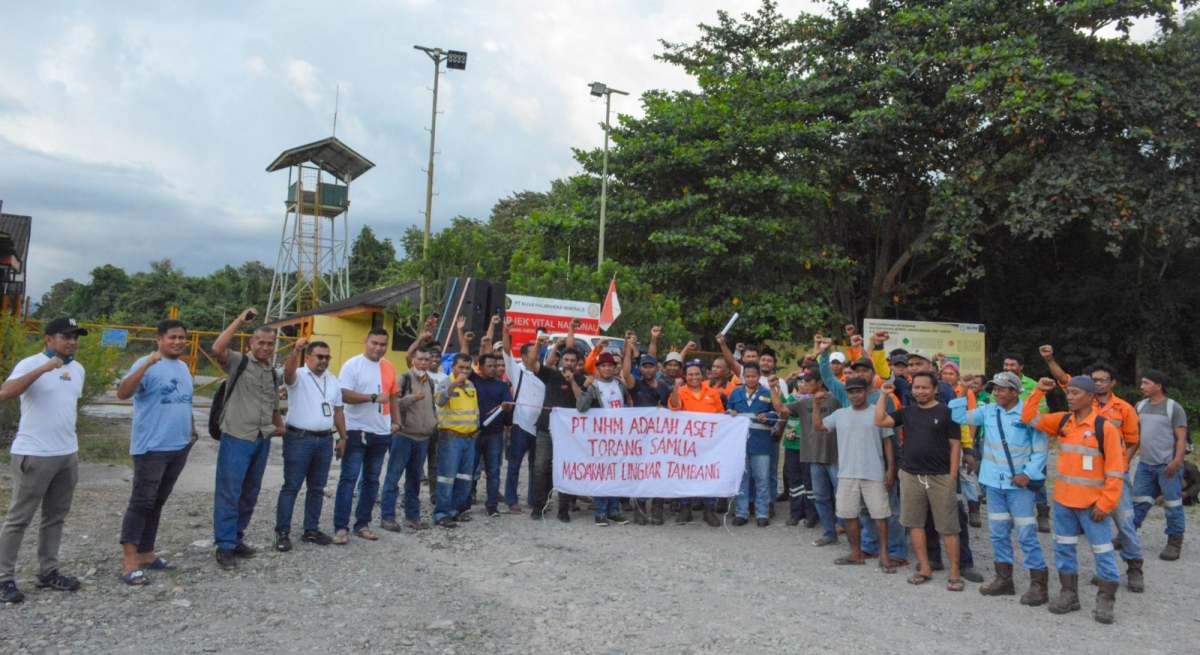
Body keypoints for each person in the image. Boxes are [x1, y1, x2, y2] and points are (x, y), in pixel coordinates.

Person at [1022, 376, 1126, 624]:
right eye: (1068, 392)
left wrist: (1106, 504)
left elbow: (1115, 471)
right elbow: (1028, 417)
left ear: (1090, 397)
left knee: (1102, 551)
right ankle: (1069, 594)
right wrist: (1038, 391)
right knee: (1064, 548)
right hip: (1063, 503)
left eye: (1075, 393)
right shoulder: (1063, 421)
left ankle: (1105, 600)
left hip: (1093, 506)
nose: (1069, 396)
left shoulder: (1105, 428)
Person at [1039, 347, 1145, 590]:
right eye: (1095, 380)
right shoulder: (1083, 404)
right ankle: (1101, 575)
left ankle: (1134, 567)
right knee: (1093, 531)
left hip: (1114, 475)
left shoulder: (1124, 408)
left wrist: (1121, 465)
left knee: (1124, 523)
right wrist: (1049, 359)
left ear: (1112, 382)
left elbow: (1133, 440)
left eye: (1103, 380)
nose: (1098, 383)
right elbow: (1063, 378)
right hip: (1088, 479)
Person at [0, 318, 88, 603]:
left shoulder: (78, 369)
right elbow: (5, 393)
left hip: (66, 454)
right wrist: (43, 369)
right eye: (66, 336)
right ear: (49, 339)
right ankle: (4, 578)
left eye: (76, 337)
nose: (72, 342)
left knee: (55, 517)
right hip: (34, 454)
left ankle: (48, 572)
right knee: (18, 519)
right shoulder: (31, 363)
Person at [949, 372, 1050, 605]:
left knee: (1026, 534)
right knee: (998, 533)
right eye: (995, 388)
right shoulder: (988, 411)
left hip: (1019, 486)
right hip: (994, 484)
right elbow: (958, 416)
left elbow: (1040, 450)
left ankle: (1039, 586)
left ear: (1015, 391)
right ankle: (1004, 579)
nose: (997, 393)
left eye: (1002, 389)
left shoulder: (1029, 414)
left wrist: (1028, 474)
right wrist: (963, 390)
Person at [115, 319, 196, 585]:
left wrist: (191, 431)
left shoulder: (183, 367)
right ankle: (129, 562)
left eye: (182, 337)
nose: (178, 342)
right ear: (159, 339)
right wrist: (147, 364)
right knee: (141, 503)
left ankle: (146, 553)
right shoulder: (145, 363)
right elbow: (122, 393)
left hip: (178, 447)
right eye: (172, 337)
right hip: (152, 448)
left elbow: (185, 402)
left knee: (157, 502)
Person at [816, 338, 906, 563]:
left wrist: (891, 468)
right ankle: (869, 546)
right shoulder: (846, 394)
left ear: (873, 374)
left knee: (888, 510)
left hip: (878, 463)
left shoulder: (883, 397)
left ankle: (895, 551)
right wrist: (824, 354)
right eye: (857, 370)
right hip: (853, 464)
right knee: (863, 510)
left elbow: (891, 434)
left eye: (865, 370)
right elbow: (827, 377)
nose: (861, 374)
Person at [876, 373, 965, 591]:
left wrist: (952, 477)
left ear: (935, 389)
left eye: (925, 387)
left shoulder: (947, 412)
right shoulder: (907, 412)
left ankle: (955, 572)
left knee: (949, 527)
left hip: (941, 477)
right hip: (910, 475)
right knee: (915, 524)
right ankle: (925, 568)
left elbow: (955, 445)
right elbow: (880, 420)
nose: (920, 391)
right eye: (916, 387)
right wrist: (883, 395)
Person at [210, 310, 284, 570]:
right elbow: (217, 348)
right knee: (229, 492)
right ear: (251, 343)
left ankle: (236, 538)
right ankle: (225, 546)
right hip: (237, 437)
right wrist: (240, 321)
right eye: (260, 342)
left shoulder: (272, 372)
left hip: (262, 438)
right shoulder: (238, 362)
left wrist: (279, 426)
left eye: (270, 343)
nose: (265, 347)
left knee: (250, 493)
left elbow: (273, 405)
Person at [812, 377, 897, 573]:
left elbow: (888, 443)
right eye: (851, 392)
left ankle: (884, 555)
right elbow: (819, 427)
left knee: (880, 515)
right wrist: (816, 405)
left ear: (866, 392)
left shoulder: (878, 412)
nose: (855, 395)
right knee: (848, 514)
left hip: (874, 472)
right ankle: (856, 553)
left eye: (859, 391)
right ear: (847, 394)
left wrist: (890, 469)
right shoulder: (840, 414)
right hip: (847, 473)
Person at [274, 338, 345, 552]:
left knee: (317, 488)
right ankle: (282, 532)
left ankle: (311, 530)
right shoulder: (299, 375)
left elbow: (338, 411)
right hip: (299, 439)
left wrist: (343, 437)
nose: (323, 360)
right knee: (291, 486)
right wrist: (295, 351)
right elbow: (287, 375)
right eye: (319, 356)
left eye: (327, 357)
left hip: (324, 440)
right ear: (308, 357)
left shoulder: (333, 380)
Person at [333, 329, 397, 544]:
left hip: (381, 431)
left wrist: (396, 422)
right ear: (365, 341)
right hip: (356, 430)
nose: (378, 347)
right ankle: (341, 527)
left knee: (372, 480)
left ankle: (362, 524)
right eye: (374, 343)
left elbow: (393, 397)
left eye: (382, 344)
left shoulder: (388, 366)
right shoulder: (353, 365)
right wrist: (372, 397)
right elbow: (343, 394)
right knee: (349, 479)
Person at [380, 349, 438, 532]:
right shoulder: (404, 378)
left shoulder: (430, 382)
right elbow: (393, 403)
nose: (424, 362)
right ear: (413, 360)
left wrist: (433, 423)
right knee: (393, 477)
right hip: (404, 436)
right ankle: (387, 517)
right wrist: (410, 399)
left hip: (423, 438)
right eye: (420, 359)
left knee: (414, 480)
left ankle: (412, 517)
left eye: (427, 359)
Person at [1132, 369, 1187, 561]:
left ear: (1158, 385)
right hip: (1145, 466)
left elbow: (1181, 439)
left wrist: (1176, 461)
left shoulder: (1173, 408)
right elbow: (1136, 437)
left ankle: (1174, 543)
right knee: (1138, 501)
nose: (1142, 386)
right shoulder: (1140, 406)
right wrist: (1127, 458)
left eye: (1146, 383)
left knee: (1172, 505)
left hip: (1168, 466)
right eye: (1142, 383)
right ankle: (1128, 535)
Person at [778, 373, 840, 543]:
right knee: (821, 497)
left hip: (834, 456)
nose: (803, 384)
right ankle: (829, 533)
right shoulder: (804, 402)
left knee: (840, 495)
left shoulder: (836, 400)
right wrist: (773, 389)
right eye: (802, 381)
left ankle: (846, 529)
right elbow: (781, 409)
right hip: (813, 456)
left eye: (808, 380)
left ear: (819, 382)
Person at [527, 338, 584, 522]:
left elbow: (582, 403)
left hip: (568, 433)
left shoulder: (582, 379)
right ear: (561, 361)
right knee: (540, 467)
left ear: (577, 363)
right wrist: (538, 343)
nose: (569, 363)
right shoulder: (551, 374)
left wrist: (572, 381)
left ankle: (563, 510)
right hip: (546, 428)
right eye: (566, 360)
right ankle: (538, 506)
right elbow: (531, 363)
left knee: (565, 469)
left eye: (573, 361)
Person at [575, 351, 634, 526]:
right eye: (603, 366)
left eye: (610, 365)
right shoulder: (593, 386)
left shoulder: (620, 385)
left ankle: (614, 511)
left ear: (615, 368)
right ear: (598, 368)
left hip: (619, 438)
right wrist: (584, 388)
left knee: (616, 474)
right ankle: (600, 512)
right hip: (601, 438)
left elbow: (628, 405)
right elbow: (581, 408)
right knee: (602, 474)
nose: (607, 368)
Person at [668, 360, 726, 527]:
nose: (694, 377)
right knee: (686, 475)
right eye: (690, 374)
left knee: (708, 474)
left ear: (703, 375)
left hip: (709, 444)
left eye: (697, 374)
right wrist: (675, 388)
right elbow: (674, 407)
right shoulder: (680, 391)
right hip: (686, 444)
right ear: (685, 376)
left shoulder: (712, 393)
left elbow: (721, 415)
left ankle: (709, 510)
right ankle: (685, 509)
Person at [622, 336, 671, 525]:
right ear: (640, 369)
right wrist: (628, 350)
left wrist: (664, 410)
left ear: (656, 368)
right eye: (644, 367)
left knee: (659, 472)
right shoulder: (635, 385)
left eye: (651, 366)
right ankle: (640, 508)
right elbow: (626, 373)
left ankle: (657, 508)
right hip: (640, 438)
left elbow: (673, 409)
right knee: (642, 471)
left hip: (660, 438)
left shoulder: (665, 387)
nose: (648, 370)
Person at [1005, 353, 1052, 533]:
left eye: (1012, 365)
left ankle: (1042, 514)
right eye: (1006, 365)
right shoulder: (999, 384)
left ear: (1021, 367)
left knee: (1037, 476)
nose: (1008, 368)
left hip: (1032, 438)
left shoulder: (1033, 385)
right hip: (1009, 439)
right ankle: (1013, 513)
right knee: (1011, 474)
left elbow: (1042, 411)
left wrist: (1022, 418)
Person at [727, 363, 779, 527]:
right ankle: (741, 513)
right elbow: (727, 411)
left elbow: (776, 414)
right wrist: (730, 413)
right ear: (743, 377)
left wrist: (768, 416)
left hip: (762, 444)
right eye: (747, 376)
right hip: (740, 445)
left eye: (753, 376)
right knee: (742, 479)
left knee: (762, 479)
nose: (750, 379)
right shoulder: (735, 393)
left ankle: (762, 513)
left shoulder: (767, 393)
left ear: (759, 377)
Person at [502, 318, 544, 514]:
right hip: (520, 425)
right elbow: (506, 350)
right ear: (524, 357)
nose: (536, 357)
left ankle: (534, 500)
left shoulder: (544, 375)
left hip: (540, 427)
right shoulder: (516, 371)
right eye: (533, 354)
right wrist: (506, 331)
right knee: (515, 465)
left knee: (536, 466)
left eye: (538, 354)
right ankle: (511, 499)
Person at [433, 353, 480, 527]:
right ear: (453, 367)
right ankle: (441, 513)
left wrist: (476, 428)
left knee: (464, 477)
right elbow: (440, 401)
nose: (464, 371)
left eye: (467, 368)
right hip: (451, 437)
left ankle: (455, 511)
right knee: (447, 477)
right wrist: (454, 384)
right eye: (461, 367)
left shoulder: (471, 385)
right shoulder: (445, 382)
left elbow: (474, 410)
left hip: (469, 438)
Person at [469, 350, 514, 518]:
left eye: (495, 366)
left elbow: (508, 405)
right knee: (470, 469)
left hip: (495, 435)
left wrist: (507, 407)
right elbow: (465, 360)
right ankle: (465, 502)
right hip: (474, 433)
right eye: (489, 366)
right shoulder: (473, 380)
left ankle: (492, 506)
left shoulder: (502, 386)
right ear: (480, 367)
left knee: (493, 472)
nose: (494, 368)